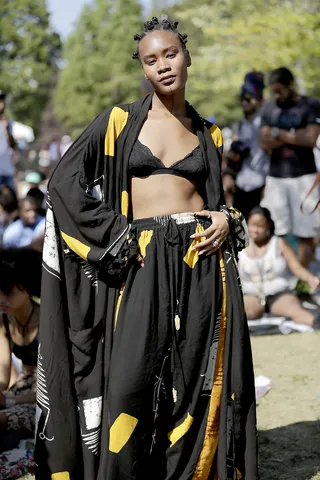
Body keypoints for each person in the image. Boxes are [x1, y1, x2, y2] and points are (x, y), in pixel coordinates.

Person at [35, 16, 258, 480]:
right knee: (127, 387)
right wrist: (116, 237)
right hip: (140, 261)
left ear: (187, 56)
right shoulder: (118, 121)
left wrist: (225, 219)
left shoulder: (209, 133)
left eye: (171, 54)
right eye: (150, 60)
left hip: (200, 263)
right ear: (143, 69)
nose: (162, 65)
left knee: (195, 382)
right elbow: (63, 182)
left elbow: (217, 202)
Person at [260, 67, 320, 274]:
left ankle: (302, 278)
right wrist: (294, 135)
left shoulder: (310, 105)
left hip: (304, 176)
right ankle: (283, 275)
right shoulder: (269, 109)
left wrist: (277, 133)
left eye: (280, 91)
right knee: (279, 230)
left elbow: (311, 139)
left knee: (306, 231)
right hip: (276, 177)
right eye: (273, 91)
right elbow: (263, 142)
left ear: (290, 84)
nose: (277, 96)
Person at [238, 206, 320, 328]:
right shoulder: (240, 245)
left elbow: (296, 267)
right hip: (251, 295)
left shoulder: (278, 243)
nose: (255, 230)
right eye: (251, 225)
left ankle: (316, 325)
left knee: (298, 313)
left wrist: (310, 278)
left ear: (268, 226)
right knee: (237, 314)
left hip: (279, 294)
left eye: (260, 226)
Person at [0, 247, 42, 451]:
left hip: (47, 394)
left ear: (26, 288)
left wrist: (9, 399)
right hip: (22, 387)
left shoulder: (48, 318)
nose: (1, 299)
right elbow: (2, 376)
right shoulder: (4, 321)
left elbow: (54, 386)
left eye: (8, 291)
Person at [223, 72, 270, 218]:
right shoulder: (243, 123)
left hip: (262, 184)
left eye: (250, 98)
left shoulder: (266, 119)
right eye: (243, 98)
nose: (245, 102)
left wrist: (269, 184)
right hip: (242, 184)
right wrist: (230, 173)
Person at [0, 91, 16, 191]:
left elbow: (13, 145)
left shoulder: (8, 121)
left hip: (7, 170)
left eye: (2, 101)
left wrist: (7, 130)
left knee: (10, 202)